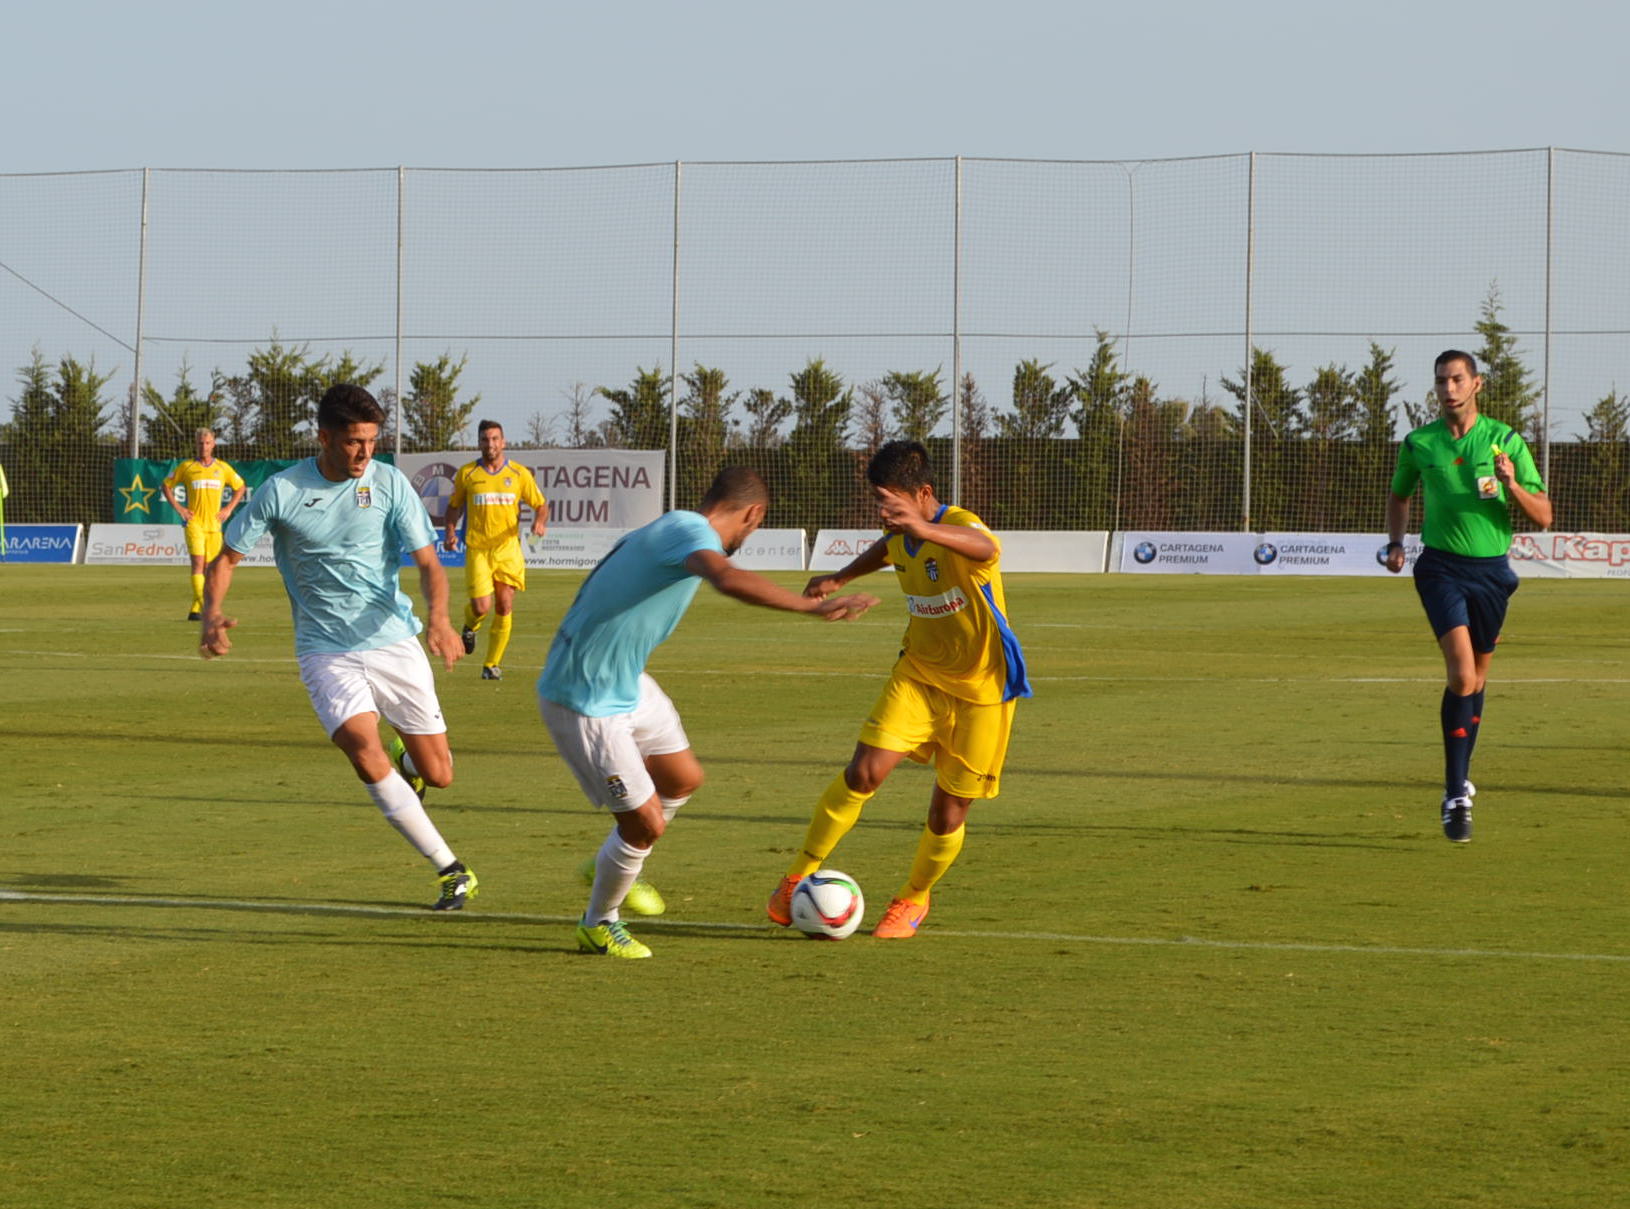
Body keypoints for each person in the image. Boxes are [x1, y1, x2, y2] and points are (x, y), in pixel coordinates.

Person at [537, 466, 879, 959]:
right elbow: (725, 577)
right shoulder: (689, 531)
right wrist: (809, 609)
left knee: (682, 779)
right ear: (752, 513)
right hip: (584, 697)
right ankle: (598, 923)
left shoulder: (675, 527)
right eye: (755, 527)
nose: (748, 537)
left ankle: (611, 864)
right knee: (644, 825)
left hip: (626, 682)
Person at [199, 384, 479, 909]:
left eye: (372, 441)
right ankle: (451, 869)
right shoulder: (281, 490)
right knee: (360, 747)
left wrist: (440, 620)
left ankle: (408, 762)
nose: (365, 453)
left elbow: (428, 563)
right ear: (324, 438)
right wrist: (211, 614)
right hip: (324, 649)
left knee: (439, 775)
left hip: (393, 641)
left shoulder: (389, 483)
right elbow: (226, 560)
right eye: (354, 441)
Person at [767, 440, 1031, 939]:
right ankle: (797, 876)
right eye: (878, 502)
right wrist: (840, 576)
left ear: (924, 493)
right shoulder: (899, 535)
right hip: (919, 676)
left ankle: (913, 898)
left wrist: (922, 528)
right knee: (863, 772)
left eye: (890, 503)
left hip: (983, 690)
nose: (882, 513)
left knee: (948, 810)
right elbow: (889, 549)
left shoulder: (960, 526)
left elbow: (987, 548)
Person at [1384, 350, 1552, 843]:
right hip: (1440, 569)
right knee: (1461, 674)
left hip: (1493, 574)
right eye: (1441, 381)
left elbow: (1544, 515)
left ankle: (1462, 773)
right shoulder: (1420, 442)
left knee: (1477, 679)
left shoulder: (1505, 440)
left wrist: (1511, 483)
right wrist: (1396, 543)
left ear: (1477, 384)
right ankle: (1455, 793)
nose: (1448, 389)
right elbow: (1399, 495)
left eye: (1457, 379)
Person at [443, 420, 548, 682]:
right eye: (485, 439)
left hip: (508, 549)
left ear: (503, 442)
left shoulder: (519, 473)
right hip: (478, 550)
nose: (490, 444)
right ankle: (471, 626)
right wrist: (450, 532)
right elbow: (454, 506)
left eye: (494, 439)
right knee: (481, 607)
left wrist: (539, 521)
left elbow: (541, 504)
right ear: (479, 443)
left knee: (504, 604)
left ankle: (491, 664)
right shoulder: (467, 473)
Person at [163, 428, 246, 620]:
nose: (204, 446)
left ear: (213, 444)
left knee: (209, 568)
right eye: (200, 443)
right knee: (198, 564)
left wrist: (228, 509)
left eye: (207, 443)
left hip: (214, 526)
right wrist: (180, 509)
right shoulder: (187, 467)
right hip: (194, 524)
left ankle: (196, 610)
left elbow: (241, 487)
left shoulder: (223, 468)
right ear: (196, 444)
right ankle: (208, 608)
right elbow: (166, 485)